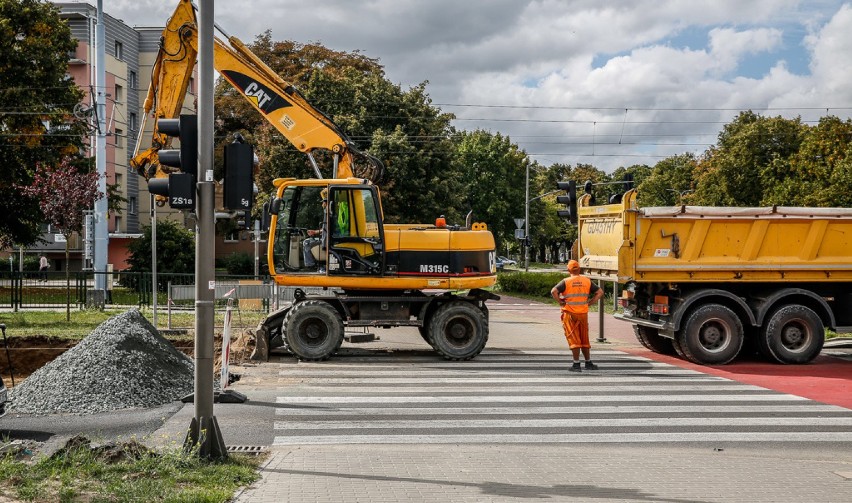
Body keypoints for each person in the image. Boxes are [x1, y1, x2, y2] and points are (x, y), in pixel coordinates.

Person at [551, 259, 604, 372]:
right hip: (583, 314)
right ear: (579, 269)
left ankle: (576, 364)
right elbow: (600, 292)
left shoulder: (566, 281)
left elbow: (553, 291)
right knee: (584, 338)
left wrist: (560, 302)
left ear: (568, 270)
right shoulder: (587, 281)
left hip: (570, 314)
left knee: (573, 338)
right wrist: (590, 303)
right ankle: (588, 362)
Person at [302, 189, 328, 272]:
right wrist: (315, 232)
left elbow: (327, 229)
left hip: (327, 240)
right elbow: (325, 228)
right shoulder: (329, 213)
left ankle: (310, 265)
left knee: (306, 242)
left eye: (324, 201)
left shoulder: (329, 213)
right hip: (326, 238)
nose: (323, 204)